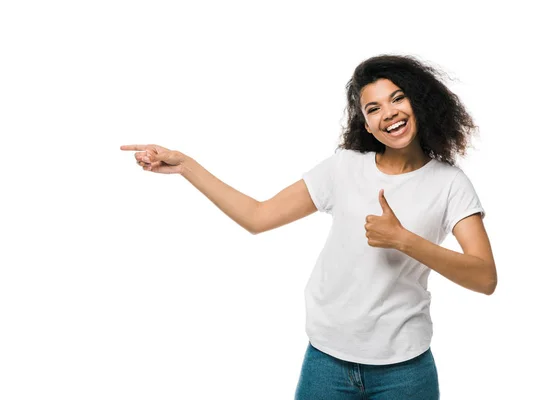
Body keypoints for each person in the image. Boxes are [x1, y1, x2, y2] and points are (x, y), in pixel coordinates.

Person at [120, 54, 497, 400]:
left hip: (406, 370)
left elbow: (485, 278)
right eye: (373, 107)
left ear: (419, 100)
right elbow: (258, 216)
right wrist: (186, 165)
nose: (389, 114)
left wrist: (404, 240)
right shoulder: (344, 168)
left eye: (398, 98)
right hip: (327, 362)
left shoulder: (450, 184)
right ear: (364, 122)